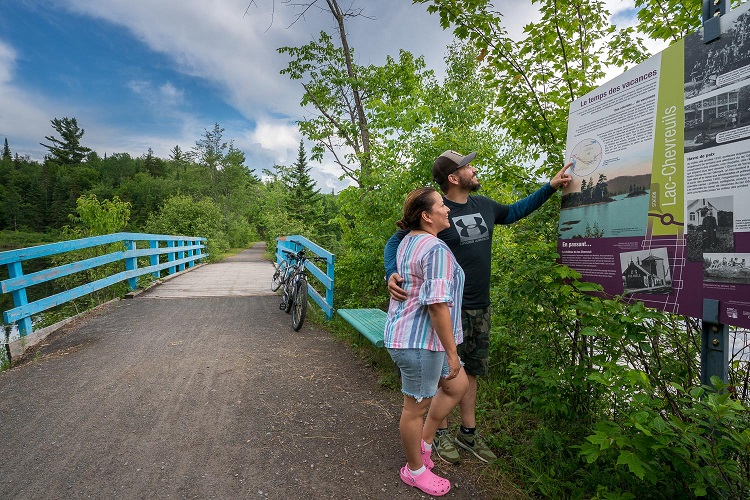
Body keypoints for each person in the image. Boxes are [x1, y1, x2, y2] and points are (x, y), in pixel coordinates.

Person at [385, 150, 572, 464]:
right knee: (444, 372)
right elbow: (397, 240)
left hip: (478, 305)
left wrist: (550, 187)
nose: (474, 170)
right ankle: (438, 435)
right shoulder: (435, 211)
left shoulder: (484, 206)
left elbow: (515, 212)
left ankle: (468, 433)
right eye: (467, 167)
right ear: (454, 178)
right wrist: (391, 271)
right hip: (444, 307)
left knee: (469, 371)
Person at [384, 186, 469, 496]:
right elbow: (436, 305)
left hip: (410, 335)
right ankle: (414, 470)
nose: (447, 208)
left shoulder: (410, 241)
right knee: (414, 409)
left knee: (457, 387)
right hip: (419, 341)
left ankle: (424, 443)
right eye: (441, 205)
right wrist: (452, 353)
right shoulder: (435, 250)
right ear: (427, 215)